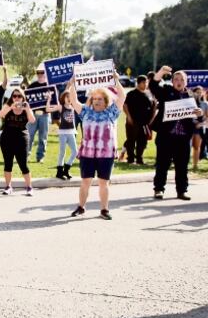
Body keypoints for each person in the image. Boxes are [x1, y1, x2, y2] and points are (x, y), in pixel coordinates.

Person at [66, 75, 125, 220]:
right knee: (86, 181)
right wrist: (73, 82)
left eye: (100, 99)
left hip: (106, 154)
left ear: (106, 101)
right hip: (87, 153)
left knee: (103, 182)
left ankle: (104, 210)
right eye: (95, 99)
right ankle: (81, 207)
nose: (97, 101)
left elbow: (122, 96)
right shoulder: (86, 112)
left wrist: (116, 80)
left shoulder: (112, 113)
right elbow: (73, 100)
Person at [150, 67, 201, 200]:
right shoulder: (166, 91)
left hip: (183, 137)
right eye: (176, 79)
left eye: (182, 80)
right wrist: (160, 73)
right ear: (172, 81)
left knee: (182, 165)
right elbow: (154, 87)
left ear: (186, 82)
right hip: (166, 136)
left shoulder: (193, 96)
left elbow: (198, 116)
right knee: (162, 164)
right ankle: (159, 189)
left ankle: (181, 191)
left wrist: (200, 114)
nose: (179, 82)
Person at [0, 86, 35, 195]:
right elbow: (0, 114)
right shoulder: (8, 105)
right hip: (7, 137)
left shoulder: (25, 107)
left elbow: (32, 120)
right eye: (14, 96)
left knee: (23, 164)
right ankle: (8, 186)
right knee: (8, 163)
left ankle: (29, 187)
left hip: (21, 137)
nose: (17, 98)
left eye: (19, 96)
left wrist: (27, 109)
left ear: (23, 97)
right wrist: (11, 107)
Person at [123, 75, 156, 164]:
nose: (145, 84)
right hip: (133, 122)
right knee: (131, 141)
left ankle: (139, 159)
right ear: (139, 83)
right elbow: (125, 105)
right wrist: (129, 117)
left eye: (146, 82)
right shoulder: (131, 94)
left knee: (143, 142)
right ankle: (130, 159)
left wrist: (152, 119)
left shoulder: (149, 94)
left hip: (145, 123)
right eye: (143, 83)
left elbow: (154, 107)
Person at [47, 90, 78, 180]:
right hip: (63, 133)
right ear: (63, 98)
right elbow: (48, 109)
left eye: (70, 97)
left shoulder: (73, 107)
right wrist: (48, 100)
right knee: (62, 152)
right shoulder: (61, 107)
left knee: (75, 152)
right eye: (67, 97)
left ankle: (66, 170)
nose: (69, 99)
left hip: (71, 132)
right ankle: (59, 172)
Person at [26, 67, 51, 162]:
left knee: (43, 137)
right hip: (33, 115)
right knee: (29, 136)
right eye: (38, 73)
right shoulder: (32, 86)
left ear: (45, 74)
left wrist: (49, 98)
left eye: (42, 73)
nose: (40, 75)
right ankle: (26, 155)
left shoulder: (50, 86)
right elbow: (26, 99)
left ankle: (40, 157)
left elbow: (54, 101)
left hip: (45, 115)